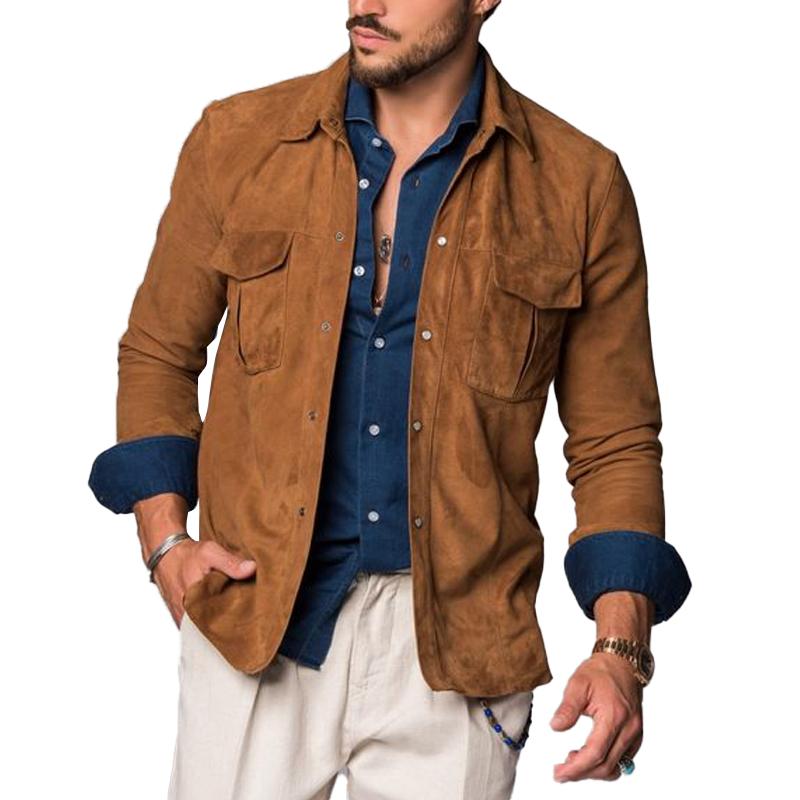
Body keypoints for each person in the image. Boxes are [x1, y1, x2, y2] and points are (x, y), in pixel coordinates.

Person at [88, 2, 692, 797]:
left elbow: (615, 439)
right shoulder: (238, 140)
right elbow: (160, 351)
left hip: (459, 647)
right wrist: (166, 543)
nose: (364, 2)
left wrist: (620, 652)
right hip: (255, 613)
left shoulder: (577, 185)